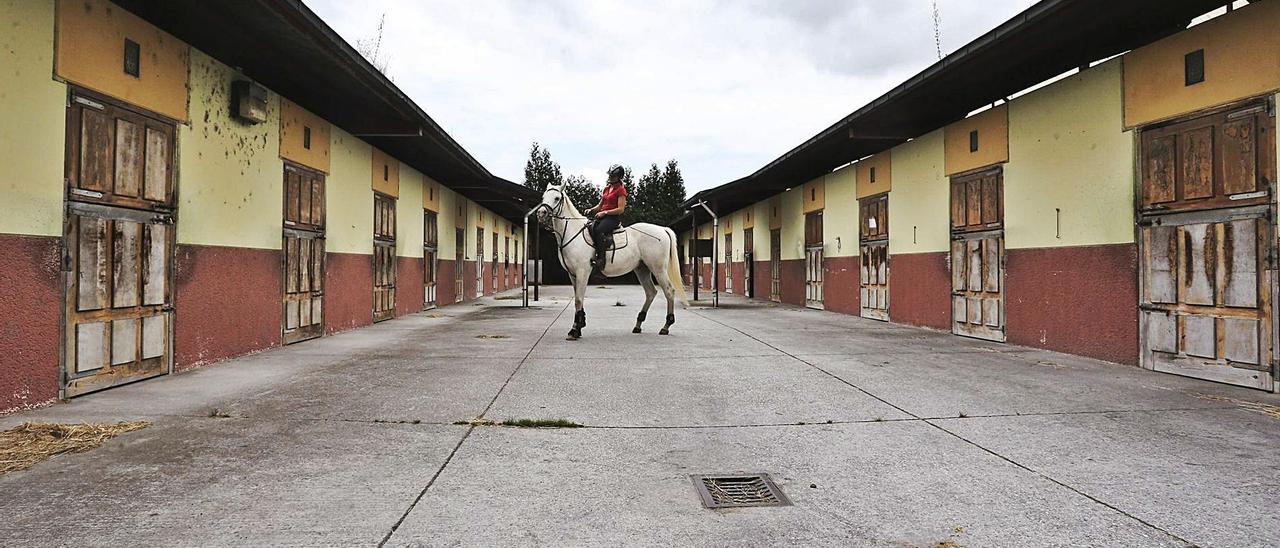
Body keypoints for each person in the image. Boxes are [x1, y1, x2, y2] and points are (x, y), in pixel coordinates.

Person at [584, 164, 628, 271]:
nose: (610, 178)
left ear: (619, 177)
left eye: (613, 176)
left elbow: (621, 209)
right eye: (610, 175)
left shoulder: (621, 190)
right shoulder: (607, 189)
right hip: (603, 217)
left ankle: (601, 259)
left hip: (613, 218)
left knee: (599, 230)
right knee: (589, 228)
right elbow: (600, 206)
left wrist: (605, 213)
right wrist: (591, 210)